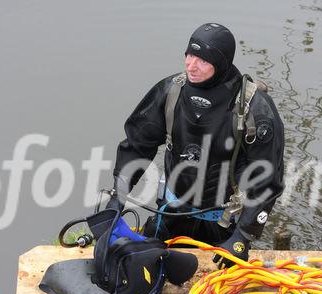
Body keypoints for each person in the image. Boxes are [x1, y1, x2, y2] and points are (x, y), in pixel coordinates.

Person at [107, 23, 284, 268]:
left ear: (221, 63)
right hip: (171, 213)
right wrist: (119, 195)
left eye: (202, 59)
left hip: (223, 224)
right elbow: (137, 145)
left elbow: (267, 179)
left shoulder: (255, 109)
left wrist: (243, 236)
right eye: (190, 55)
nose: (191, 65)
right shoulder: (171, 92)